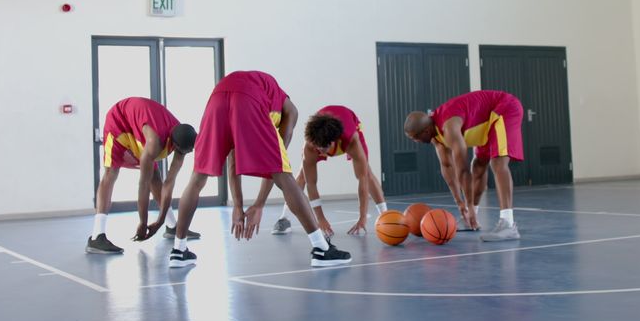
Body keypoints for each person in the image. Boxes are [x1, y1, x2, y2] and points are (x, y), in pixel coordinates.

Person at [169, 71, 352, 267]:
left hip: (216, 99)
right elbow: (276, 167)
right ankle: (321, 249)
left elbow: (234, 159)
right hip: (248, 98)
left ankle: (178, 251)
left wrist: (240, 206)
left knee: (197, 179)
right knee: (284, 176)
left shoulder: (268, 94)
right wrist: (258, 204)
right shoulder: (289, 111)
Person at [404, 90, 524, 241]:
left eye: (416, 138)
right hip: (484, 121)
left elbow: (462, 170)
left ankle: (508, 224)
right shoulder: (435, 137)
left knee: (498, 162)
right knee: (479, 165)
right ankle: (470, 219)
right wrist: (460, 203)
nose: (416, 142)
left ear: (426, 131)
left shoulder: (449, 127)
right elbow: (447, 167)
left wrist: (469, 204)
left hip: (503, 109)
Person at [86, 97, 197, 254]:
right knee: (111, 172)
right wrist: (143, 222)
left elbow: (169, 183)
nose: (185, 154)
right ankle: (97, 236)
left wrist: (158, 221)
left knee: (156, 177)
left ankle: (171, 226)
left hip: (142, 123)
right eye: (183, 151)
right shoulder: (154, 143)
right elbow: (143, 185)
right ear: (175, 144)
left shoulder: (183, 134)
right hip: (119, 121)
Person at [271, 105, 387, 237]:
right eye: (318, 148)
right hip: (322, 134)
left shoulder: (351, 140)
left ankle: (385, 215)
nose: (320, 151)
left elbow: (363, 179)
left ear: (335, 141)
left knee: (366, 172)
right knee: (302, 175)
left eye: (324, 148)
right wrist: (320, 218)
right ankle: (284, 218)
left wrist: (362, 218)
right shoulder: (310, 146)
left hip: (350, 124)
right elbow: (311, 184)